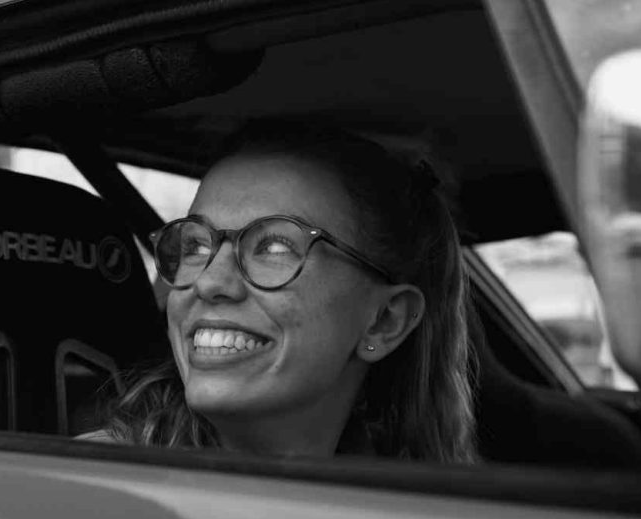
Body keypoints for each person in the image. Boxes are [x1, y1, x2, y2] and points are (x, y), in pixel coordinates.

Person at [83, 121, 477, 462]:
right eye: (196, 245)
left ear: (384, 322)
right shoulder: (94, 486)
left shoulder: (415, 509)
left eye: (274, 247)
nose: (209, 282)